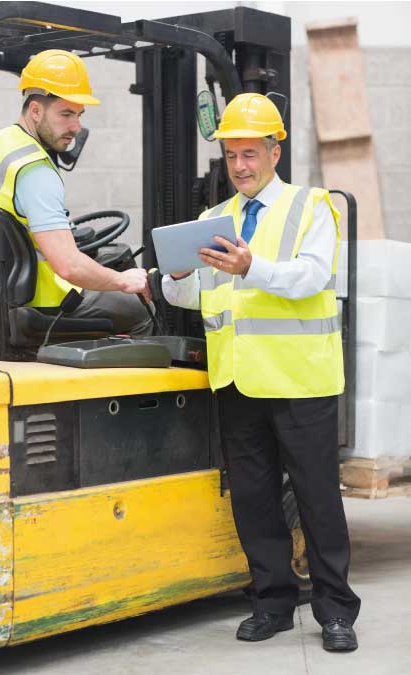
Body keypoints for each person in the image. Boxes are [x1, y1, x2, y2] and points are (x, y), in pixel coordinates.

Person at [162, 93, 361, 652]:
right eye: (232, 156)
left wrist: (254, 266)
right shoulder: (209, 221)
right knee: (251, 497)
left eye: (251, 153)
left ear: (276, 152)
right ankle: (272, 601)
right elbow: (189, 294)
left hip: (300, 381)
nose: (242, 166)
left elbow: (313, 277)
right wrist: (176, 273)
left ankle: (336, 611)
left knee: (318, 497)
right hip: (236, 381)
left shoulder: (312, 206)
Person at [0, 49, 151, 336]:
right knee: (138, 308)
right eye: (66, 114)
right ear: (35, 110)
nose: (76, 126)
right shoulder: (35, 169)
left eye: (79, 115)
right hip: (41, 303)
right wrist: (122, 280)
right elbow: (69, 266)